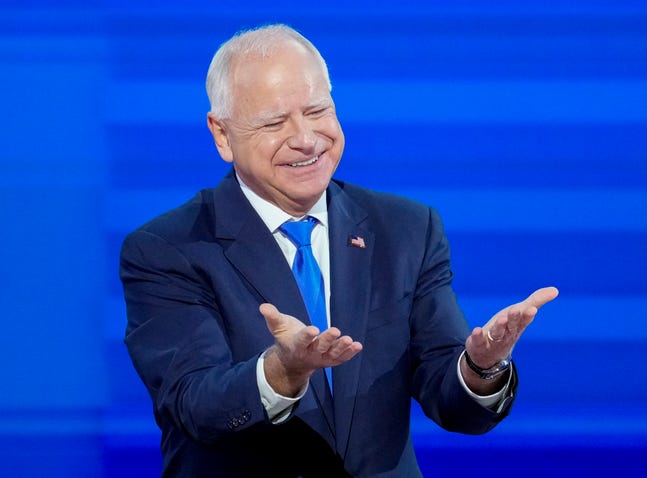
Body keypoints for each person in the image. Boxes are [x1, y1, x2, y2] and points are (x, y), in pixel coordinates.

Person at [120, 24, 559, 477]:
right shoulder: (168, 249)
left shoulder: (406, 228)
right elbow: (196, 406)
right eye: (275, 122)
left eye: (317, 111)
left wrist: (480, 368)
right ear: (222, 135)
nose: (307, 139)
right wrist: (281, 372)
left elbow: (453, 403)